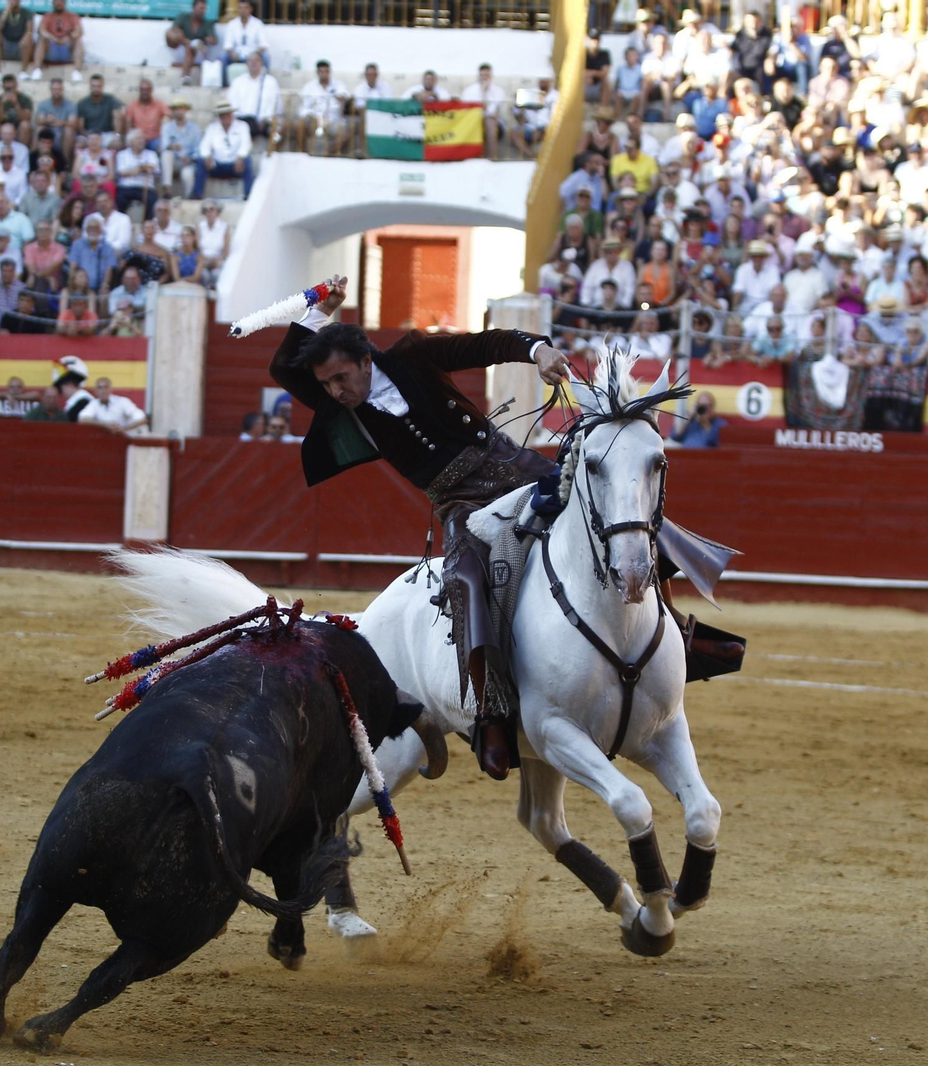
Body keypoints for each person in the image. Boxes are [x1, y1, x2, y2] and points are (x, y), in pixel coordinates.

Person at [267, 275, 740, 780]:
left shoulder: (410, 355)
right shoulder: (341, 404)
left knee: (623, 511)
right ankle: (491, 712)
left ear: (366, 361)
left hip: (513, 468)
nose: (336, 392)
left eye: (341, 378)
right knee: (466, 580)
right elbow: (283, 367)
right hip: (461, 505)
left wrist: (536, 349)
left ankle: (677, 633)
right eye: (327, 385)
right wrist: (316, 310)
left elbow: (486, 344)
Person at [195, 102, 253, 199]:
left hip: (235, 165)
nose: (225, 117)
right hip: (217, 165)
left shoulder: (242, 126)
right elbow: (204, 145)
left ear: (231, 114)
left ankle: (249, 195)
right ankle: (197, 194)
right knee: (201, 161)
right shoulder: (212, 128)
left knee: (247, 161)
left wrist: (240, 156)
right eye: (222, 115)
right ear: (219, 116)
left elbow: (246, 144)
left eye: (227, 114)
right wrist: (207, 156)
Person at [30, 0, 83, 82]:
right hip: (52, 48)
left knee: (78, 41)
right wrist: (52, 37)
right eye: (56, 2)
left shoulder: (72, 16)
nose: (58, 4)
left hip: (67, 49)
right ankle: (37, 70)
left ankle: (77, 72)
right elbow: (41, 30)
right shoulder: (48, 16)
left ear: (64, 3)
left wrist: (68, 38)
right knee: (41, 39)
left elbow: (78, 31)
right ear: (53, 3)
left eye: (60, 1)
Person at [77, 376, 146, 433]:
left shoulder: (122, 402)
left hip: (124, 438)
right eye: (100, 388)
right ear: (95, 391)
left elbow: (142, 419)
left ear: (111, 389)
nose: (103, 391)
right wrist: (105, 425)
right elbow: (82, 419)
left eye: (106, 387)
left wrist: (123, 429)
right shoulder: (94, 404)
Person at [0, 0, 33, 78]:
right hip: (6, 45)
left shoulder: (27, 12)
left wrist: (26, 37)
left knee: (28, 38)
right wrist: (7, 11)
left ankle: (23, 72)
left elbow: (29, 30)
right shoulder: (0, 12)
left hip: (21, 45)